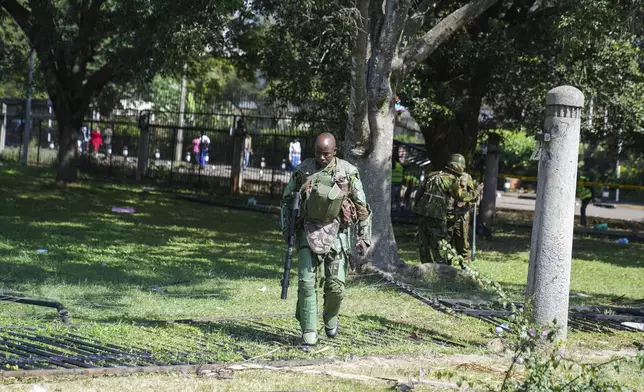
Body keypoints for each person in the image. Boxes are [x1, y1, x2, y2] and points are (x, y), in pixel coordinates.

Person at [280, 132, 371, 346]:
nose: (321, 158)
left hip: (337, 235)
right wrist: (288, 231)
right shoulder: (303, 169)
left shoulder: (348, 172)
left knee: (336, 287)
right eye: (318, 153)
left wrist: (362, 237)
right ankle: (309, 332)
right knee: (305, 283)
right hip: (307, 233)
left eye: (326, 154)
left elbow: (362, 206)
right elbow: (286, 200)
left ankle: (330, 318)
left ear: (335, 151)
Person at [413, 153, 479, 267]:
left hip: (422, 212)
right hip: (437, 214)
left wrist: (417, 208)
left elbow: (418, 194)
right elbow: (461, 196)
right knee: (440, 244)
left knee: (423, 242)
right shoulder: (451, 179)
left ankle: (426, 269)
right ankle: (442, 270)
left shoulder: (432, 175)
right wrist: (476, 192)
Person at [447, 169, 482, 264]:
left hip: (461, 216)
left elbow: (472, 196)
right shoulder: (446, 177)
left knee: (462, 243)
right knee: (446, 244)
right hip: (448, 215)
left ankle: (466, 268)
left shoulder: (466, 177)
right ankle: (446, 268)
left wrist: (466, 200)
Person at [391, 147, 404, 212]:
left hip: (393, 184)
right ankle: (398, 210)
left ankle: (390, 210)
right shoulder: (400, 165)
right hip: (398, 184)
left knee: (391, 198)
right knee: (397, 199)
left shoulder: (393, 164)